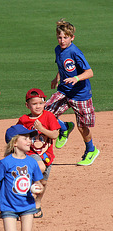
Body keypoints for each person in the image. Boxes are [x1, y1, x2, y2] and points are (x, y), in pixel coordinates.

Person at [45, 18, 100, 166]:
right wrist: (56, 78)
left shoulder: (75, 52)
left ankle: (91, 150)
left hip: (80, 94)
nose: (62, 40)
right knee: (46, 113)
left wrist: (76, 78)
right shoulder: (58, 49)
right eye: (59, 37)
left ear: (72, 37)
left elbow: (89, 72)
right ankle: (65, 127)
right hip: (64, 90)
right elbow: (62, 66)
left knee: (82, 126)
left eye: (65, 37)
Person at [0, 125, 44, 231]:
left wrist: (39, 187)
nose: (29, 141)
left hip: (27, 204)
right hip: (8, 206)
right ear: (14, 142)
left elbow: (38, 182)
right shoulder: (5, 162)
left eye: (29, 138)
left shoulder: (32, 162)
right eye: (25, 138)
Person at [17, 88, 60, 218]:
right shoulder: (24, 120)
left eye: (40, 103)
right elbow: (16, 135)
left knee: (43, 183)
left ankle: (37, 203)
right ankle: (23, 203)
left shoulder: (49, 116)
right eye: (34, 104)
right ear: (27, 105)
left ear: (45, 103)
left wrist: (41, 128)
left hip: (47, 156)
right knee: (39, 168)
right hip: (30, 154)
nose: (38, 106)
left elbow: (55, 134)